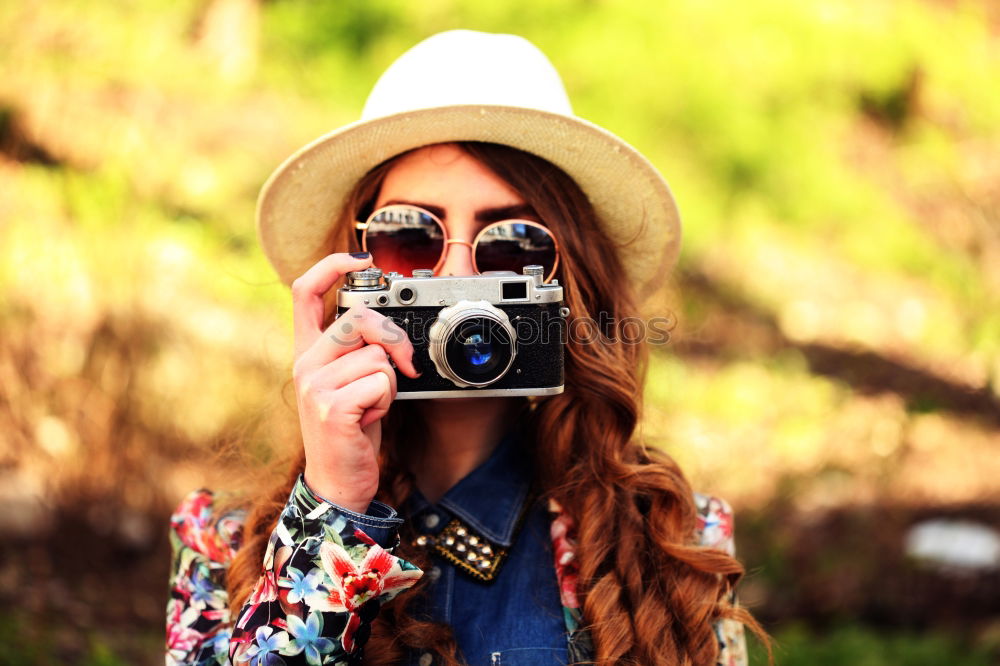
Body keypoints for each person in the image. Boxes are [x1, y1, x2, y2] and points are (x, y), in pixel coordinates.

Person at [166, 30, 768, 666]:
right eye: (411, 238)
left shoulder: (674, 542)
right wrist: (329, 519)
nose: (457, 277)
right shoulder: (222, 541)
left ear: (568, 288)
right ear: (356, 272)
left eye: (513, 246)